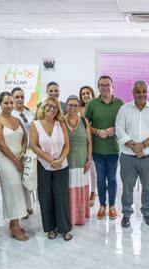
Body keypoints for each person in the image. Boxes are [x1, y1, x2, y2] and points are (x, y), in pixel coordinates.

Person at [115, 80, 149, 228]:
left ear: (148, 92)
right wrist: (134, 147)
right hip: (128, 157)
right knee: (127, 187)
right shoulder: (124, 109)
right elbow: (119, 130)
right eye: (138, 91)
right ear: (133, 93)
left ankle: (147, 212)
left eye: (144, 91)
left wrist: (142, 145)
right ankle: (127, 214)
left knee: (148, 188)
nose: (142, 94)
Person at [29, 98, 72, 240]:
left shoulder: (61, 124)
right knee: (46, 197)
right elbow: (34, 146)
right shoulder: (35, 125)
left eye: (54, 107)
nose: (51, 108)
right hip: (44, 166)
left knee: (62, 198)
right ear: (43, 107)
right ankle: (50, 228)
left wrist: (59, 160)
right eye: (48, 106)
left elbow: (67, 145)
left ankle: (64, 228)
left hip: (62, 166)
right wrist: (51, 160)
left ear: (58, 110)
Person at [84, 75, 124, 220]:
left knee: (112, 178)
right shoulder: (92, 104)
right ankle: (102, 206)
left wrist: (115, 128)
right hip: (97, 149)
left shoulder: (120, 103)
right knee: (101, 179)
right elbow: (85, 124)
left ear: (112, 86)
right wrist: (97, 131)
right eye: (102, 85)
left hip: (113, 149)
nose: (105, 87)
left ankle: (112, 206)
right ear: (98, 87)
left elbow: (125, 124)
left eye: (107, 84)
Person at [0, 92, 30, 241]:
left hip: (19, 158)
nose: (9, 105)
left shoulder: (17, 119)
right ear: (0, 104)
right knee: (12, 191)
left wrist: (22, 154)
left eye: (11, 103)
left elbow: (25, 138)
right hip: (6, 161)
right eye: (5, 103)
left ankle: (16, 222)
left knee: (20, 190)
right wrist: (15, 160)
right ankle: (14, 226)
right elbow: (0, 144)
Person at [64, 95, 92, 226]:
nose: (73, 107)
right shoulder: (61, 121)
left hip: (82, 161)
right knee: (68, 188)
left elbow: (89, 142)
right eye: (70, 104)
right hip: (67, 161)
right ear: (66, 106)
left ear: (80, 107)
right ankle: (70, 216)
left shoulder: (84, 121)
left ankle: (80, 216)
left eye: (75, 105)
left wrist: (89, 160)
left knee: (81, 188)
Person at [11, 87, 34, 219]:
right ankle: (21, 208)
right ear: (12, 98)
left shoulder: (30, 112)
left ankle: (28, 205)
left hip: (30, 150)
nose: (20, 99)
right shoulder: (11, 114)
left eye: (22, 96)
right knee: (18, 179)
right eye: (17, 97)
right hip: (17, 150)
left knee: (27, 177)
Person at [79, 85, 98, 206]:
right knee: (82, 169)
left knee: (93, 170)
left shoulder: (96, 107)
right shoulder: (78, 108)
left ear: (92, 94)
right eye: (83, 93)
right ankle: (82, 192)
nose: (86, 95)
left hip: (94, 142)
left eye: (88, 93)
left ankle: (93, 192)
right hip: (81, 143)